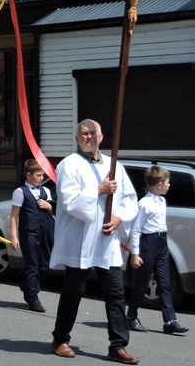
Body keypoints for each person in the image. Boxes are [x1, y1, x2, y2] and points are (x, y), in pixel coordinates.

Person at [50, 119, 139, 364]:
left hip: (106, 241)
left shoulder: (114, 164)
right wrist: (98, 190)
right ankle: (60, 338)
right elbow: (68, 200)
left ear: (101, 137)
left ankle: (118, 345)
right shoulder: (69, 164)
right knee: (74, 291)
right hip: (81, 240)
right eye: (83, 134)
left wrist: (119, 218)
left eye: (92, 133)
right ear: (77, 138)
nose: (88, 137)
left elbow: (130, 198)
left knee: (115, 293)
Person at [126, 166, 189, 334]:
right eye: (168, 183)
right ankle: (131, 317)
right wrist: (135, 254)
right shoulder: (144, 204)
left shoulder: (162, 200)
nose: (169, 186)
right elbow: (136, 230)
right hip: (148, 243)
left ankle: (170, 320)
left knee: (165, 282)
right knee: (141, 283)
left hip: (162, 242)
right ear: (160, 183)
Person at [9, 159, 55, 312]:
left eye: (42, 175)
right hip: (29, 233)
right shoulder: (20, 192)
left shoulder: (46, 191)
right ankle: (33, 298)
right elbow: (14, 216)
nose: (42, 178)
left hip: (45, 231)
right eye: (38, 175)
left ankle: (27, 285)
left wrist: (49, 207)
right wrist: (14, 237)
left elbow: (54, 211)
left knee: (46, 266)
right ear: (28, 175)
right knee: (32, 267)